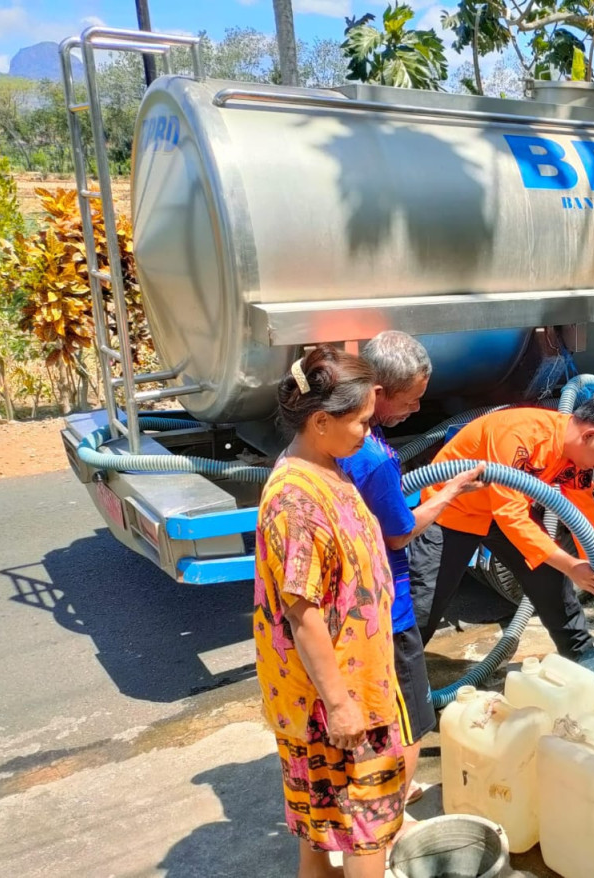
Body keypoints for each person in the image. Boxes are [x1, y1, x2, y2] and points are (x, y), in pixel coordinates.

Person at [253, 345, 405, 878]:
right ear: (321, 421)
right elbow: (303, 614)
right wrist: (341, 706)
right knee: (367, 835)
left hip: (344, 687)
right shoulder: (296, 501)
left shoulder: (324, 466)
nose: (368, 432)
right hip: (334, 703)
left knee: (320, 835)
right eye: (361, 421)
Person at [339, 331, 486, 807]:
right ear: (377, 394)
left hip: (348, 604)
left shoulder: (338, 438)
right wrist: (447, 494)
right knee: (410, 717)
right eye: (412, 399)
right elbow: (400, 533)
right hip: (386, 604)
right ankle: (390, 810)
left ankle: (371, 792)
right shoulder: (374, 456)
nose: (418, 410)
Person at [409, 389, 594, 659]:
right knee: (424, 607)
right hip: (453, 511)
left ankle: (584, 661)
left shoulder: (579, 458)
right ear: (589, 435)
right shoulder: (519, 435)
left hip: (504, 513)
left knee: (553, 585)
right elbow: (510, 515)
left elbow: (587, 518)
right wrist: (571, 566)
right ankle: (396, 682)